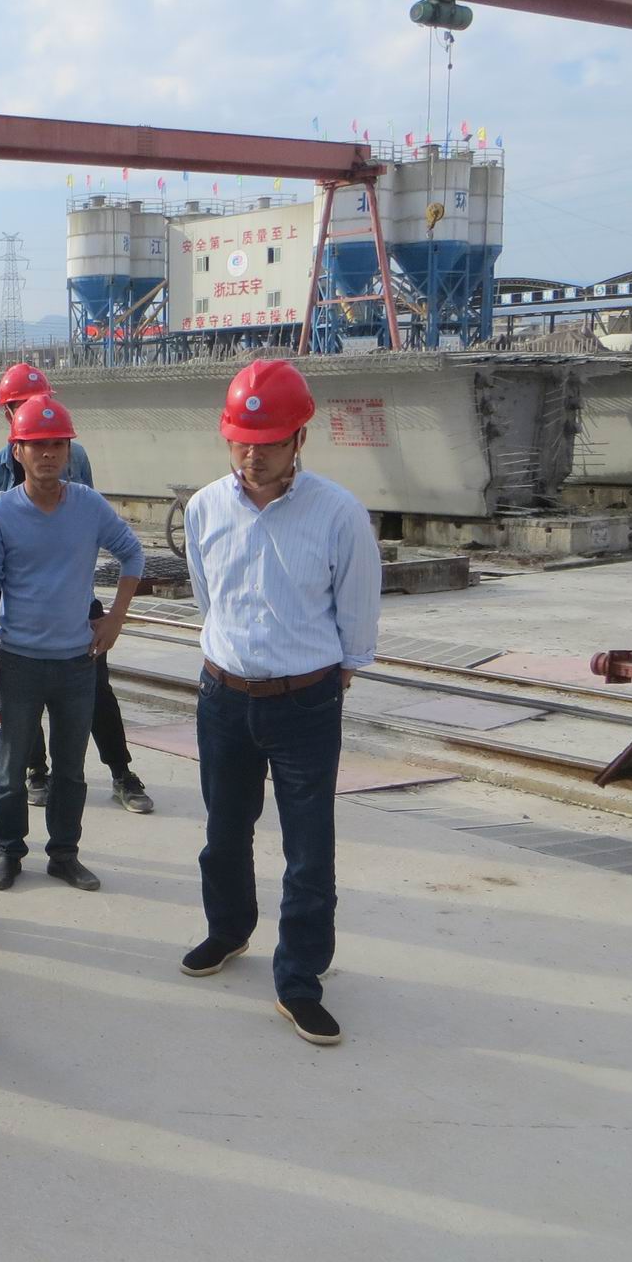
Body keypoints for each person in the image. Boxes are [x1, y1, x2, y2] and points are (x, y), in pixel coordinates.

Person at [180, 358, 381, 1048]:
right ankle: (228, 930)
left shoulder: (339, 514)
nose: (252, 455)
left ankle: (298, 978)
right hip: (222, 697)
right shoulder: (205, 509)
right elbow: (208, 598)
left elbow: (357, 613)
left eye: (267, 442)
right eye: (240, 440)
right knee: (224, 832)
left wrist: (330, 675)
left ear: (299, 438)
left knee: (308, 847)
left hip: (305, 704)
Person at [0, 362, 152, 818]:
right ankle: (35, 772)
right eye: (23, 407)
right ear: (8, 417)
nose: (48, 452)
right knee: (20, 713)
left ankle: (121, 771)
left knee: (97, 695)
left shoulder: (75, 460)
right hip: (21, 623)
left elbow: (92, 526)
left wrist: (114, 617)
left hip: (76, 610)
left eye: (57, 443)